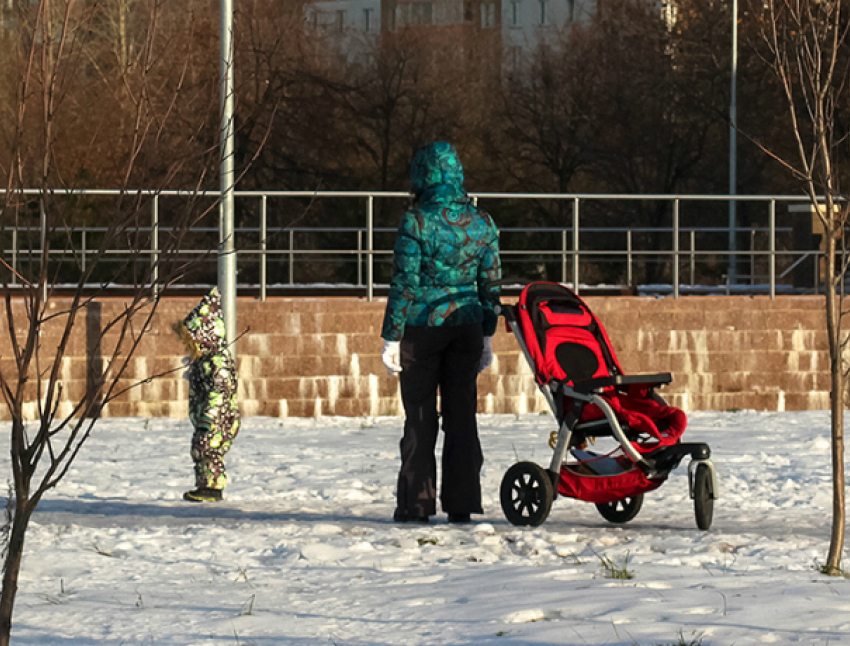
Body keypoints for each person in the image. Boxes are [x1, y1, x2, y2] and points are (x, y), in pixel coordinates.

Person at [381, 141, 501, 524]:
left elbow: (405, 284)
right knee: (462, 416)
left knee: (419, 417)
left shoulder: (415, 222)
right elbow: (490, 285)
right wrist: (487, 333)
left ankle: (416, 502)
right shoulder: (483, 223)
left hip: (422, 328)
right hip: (466, 327)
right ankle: (462, 502)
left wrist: (392, 335)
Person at [173, 287, 241, 502]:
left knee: (207, 449)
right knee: (202, 449)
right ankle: (206, 484)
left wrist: (209, 417)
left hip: (217, 417)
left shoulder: (216, 363)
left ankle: (212, 487)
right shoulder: (206, 361)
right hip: (210, 416)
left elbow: (219, 392)